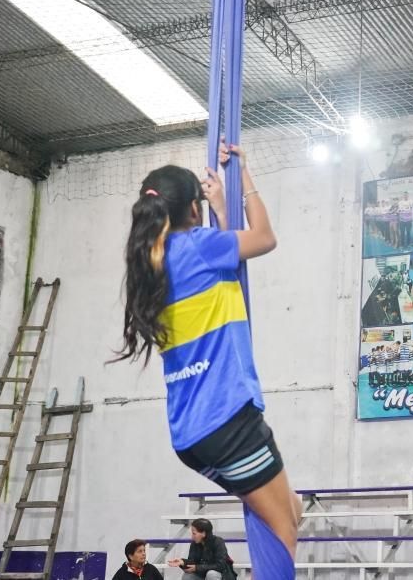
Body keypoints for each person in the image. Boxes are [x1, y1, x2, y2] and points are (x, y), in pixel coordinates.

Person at [115, 141, 300, 561]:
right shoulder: (200, 246)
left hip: (191, 436)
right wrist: (243, 177)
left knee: (293, 510)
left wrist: (218, 211)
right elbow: (264, 238)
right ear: (192, 212)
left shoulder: (150, 268)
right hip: (228, 421)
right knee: (284, 531)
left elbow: (220, 265)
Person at [166, 520, 235, 580]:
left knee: (211, 574)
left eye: (194, 533)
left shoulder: (218, 542)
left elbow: (220, 565)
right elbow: (193, 561)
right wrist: (182, 562)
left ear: (203, 533)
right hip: (202, 573)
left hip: (221, 574)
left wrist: (197, 568)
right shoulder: (195, 543)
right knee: (187, 576)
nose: (192, 537)